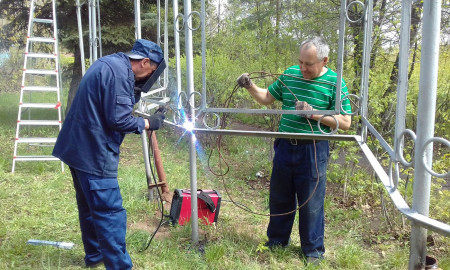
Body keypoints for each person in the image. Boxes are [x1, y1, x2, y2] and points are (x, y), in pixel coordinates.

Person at [52, 39, 166, 269]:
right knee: (109, 213)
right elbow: (118, 120)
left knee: (89, 207)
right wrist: (149, 123)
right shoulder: (120, 75)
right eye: (151, 72)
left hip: (76, 149)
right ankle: (120, 266)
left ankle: (95, 256)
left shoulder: (109, 63)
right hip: (94, 153)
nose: (148, 78)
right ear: (144, 62)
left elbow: (109, 106)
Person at [237, 36, 352, 264]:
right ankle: (276, 243)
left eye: (309, 64)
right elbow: (266, 98)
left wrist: (314, 113)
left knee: (311, 204)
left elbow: (346, 122)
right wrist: (250, 86)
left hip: (313, 150)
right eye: (301, 62)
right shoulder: (290, 74)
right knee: (280, 197)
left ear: (324, 60)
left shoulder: (334, 83)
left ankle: (312, 252)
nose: (303, 68)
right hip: (284, 145)